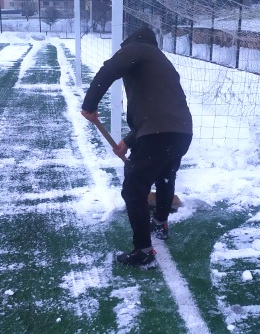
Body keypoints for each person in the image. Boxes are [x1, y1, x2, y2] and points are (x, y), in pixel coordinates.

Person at [81, 26, 192, 268]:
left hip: (158, 132)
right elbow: (159, 110)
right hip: (181, 132)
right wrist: (129, 141)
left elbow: (108, 70)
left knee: (133, 189)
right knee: (164, 176)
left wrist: (89, 104)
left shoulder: (136, 49)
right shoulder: (161, 59)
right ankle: (160, 223)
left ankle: (143, 251)